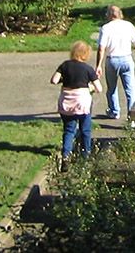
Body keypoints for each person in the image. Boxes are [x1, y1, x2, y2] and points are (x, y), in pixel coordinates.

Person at [51, 41, 102, 171]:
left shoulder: (64, 65)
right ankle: (86, 156)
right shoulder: (88, 69)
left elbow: (54, 80)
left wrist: (65, 79)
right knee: (85, 130)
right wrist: (90, 85)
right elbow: (99, 89)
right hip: (82, 103)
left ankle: (66, 156)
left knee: (69, 130)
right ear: (85, 54)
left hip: (67, 103)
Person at [95, 5, 135, 120]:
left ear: (109, 15)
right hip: (127, 59)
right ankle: (132, 115)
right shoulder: (128, 25)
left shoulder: (106, 28)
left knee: (112, 88)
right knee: (130, 90)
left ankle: (114, 111)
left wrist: (98, 65)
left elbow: (101, 48)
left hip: (112, 60)